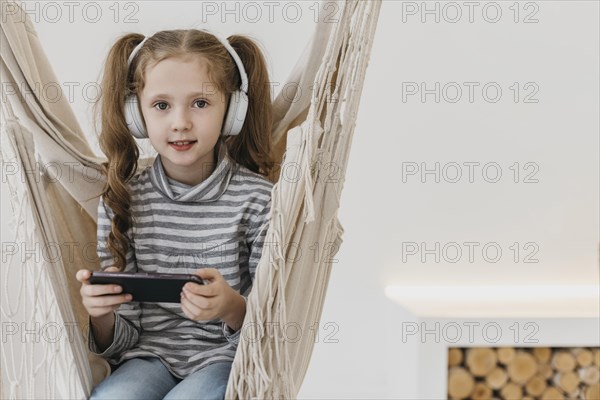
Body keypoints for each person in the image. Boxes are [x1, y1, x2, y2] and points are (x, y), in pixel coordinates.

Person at [75, 28, 275, 400]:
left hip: (225, 357)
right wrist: (101, 315)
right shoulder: (123, 199)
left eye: (200, 103)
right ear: (136, 116)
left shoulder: (259, 200)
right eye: (162, 105)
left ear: (233, 111)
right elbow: (122, 341)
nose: (180, 122)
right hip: (148, 357)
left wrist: (231, 306)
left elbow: (272, 329)